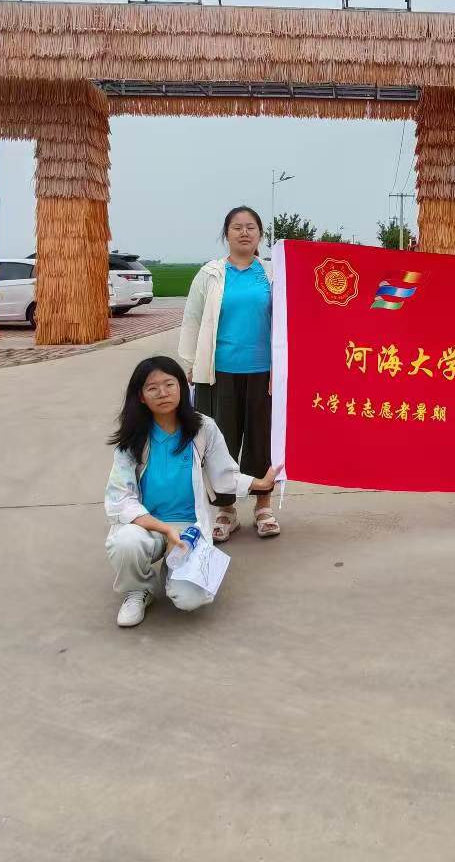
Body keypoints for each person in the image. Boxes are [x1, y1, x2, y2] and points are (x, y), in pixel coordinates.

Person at [104, 355, 279, 628]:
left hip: (190, 527)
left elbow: (224, 474)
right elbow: (120, 499)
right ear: (140, 397)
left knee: (190, 599)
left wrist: (261, 483)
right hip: (147, 525)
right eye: (152, 388)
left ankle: (173, 572)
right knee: (127, 543)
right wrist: (165, 530)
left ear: (182, 388)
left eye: (169, 384)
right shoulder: (133, 437)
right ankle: (138, 589)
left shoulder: (202, 427)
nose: (162, 393)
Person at [178, 206, 278, 541]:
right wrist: (192, 361)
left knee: (263, 441)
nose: (245, 233)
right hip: (219, 372)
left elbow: (288, 321)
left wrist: (284, 370)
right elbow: (192, 319)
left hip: (264, 373)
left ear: (260, 235)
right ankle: (226, 510)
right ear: (226, 234)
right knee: (220, 442)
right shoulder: (210, 274)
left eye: (251, 227)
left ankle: (264, 506)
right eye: (237, 227)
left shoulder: (272, 274)